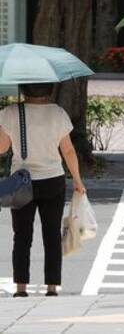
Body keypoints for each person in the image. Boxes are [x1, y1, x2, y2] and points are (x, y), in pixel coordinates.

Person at [0, 83, 86, 298]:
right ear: (49, 90)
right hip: (52, 179)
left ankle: (21, 287)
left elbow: (2, 148)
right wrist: (77, 179)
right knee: (51, 234)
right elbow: (67, 150)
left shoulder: (11, 112)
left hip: (21, 183)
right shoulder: (57, 113)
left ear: (22, 89)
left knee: (21, 236)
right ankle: (51, 287)